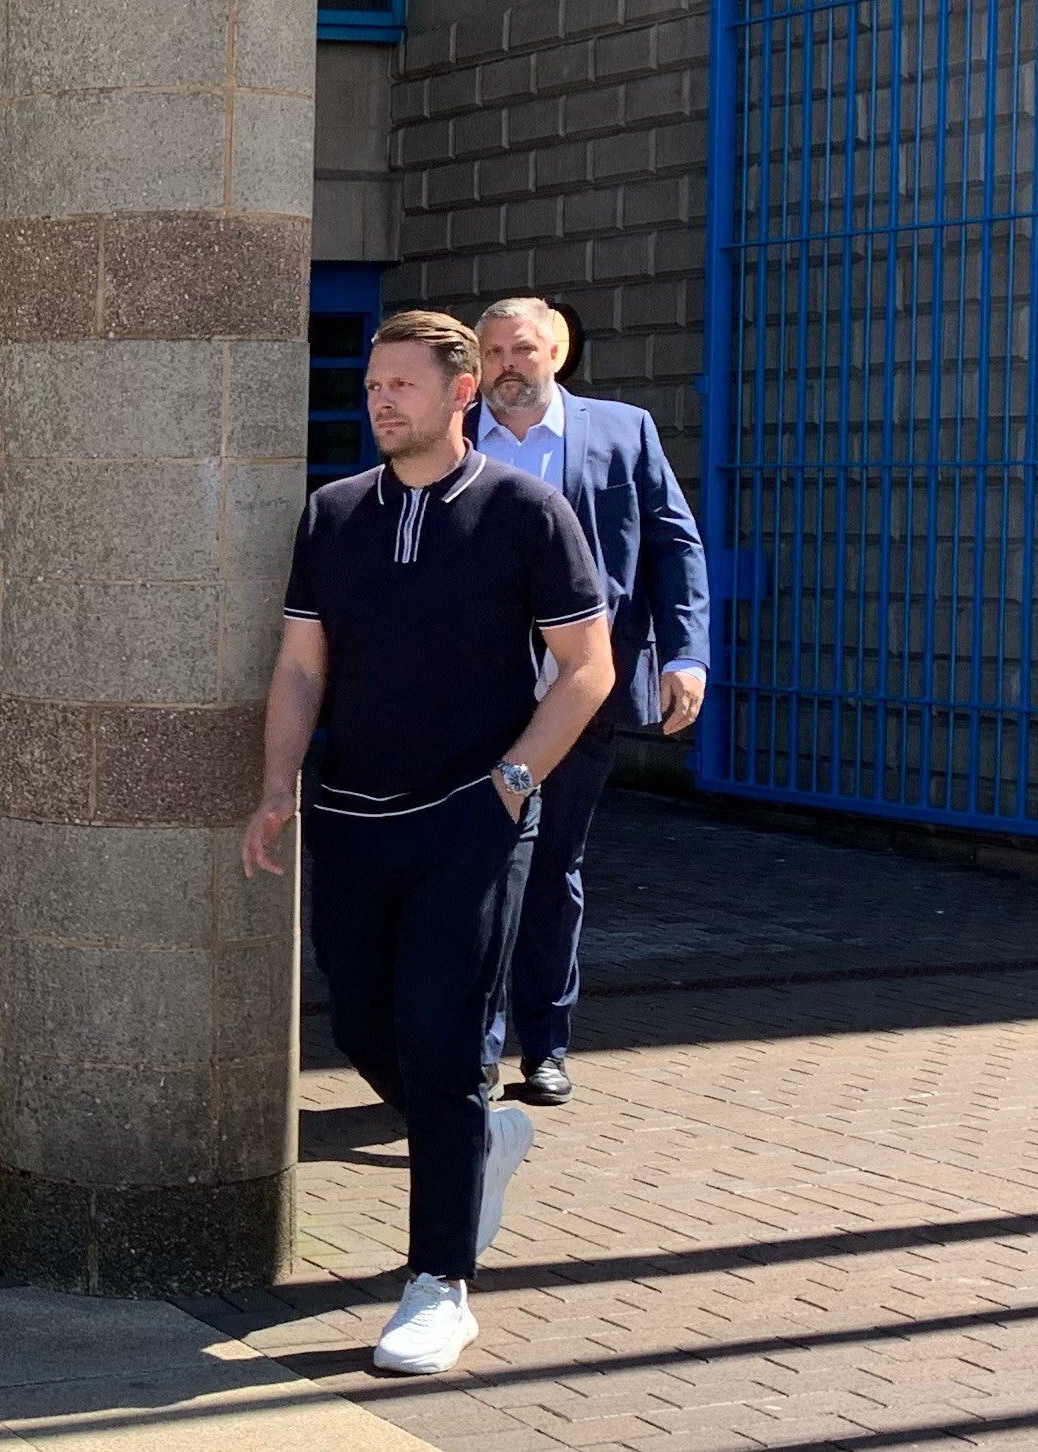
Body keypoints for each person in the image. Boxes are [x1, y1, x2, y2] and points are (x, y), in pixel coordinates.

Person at [242, 310, 614, 1375]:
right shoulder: (333, 514)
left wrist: (511, 782)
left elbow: (586, 668)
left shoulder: (526, 513)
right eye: (373, 387)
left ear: (461, 393)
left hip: (470, 820)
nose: (382, 402)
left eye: (402, 385)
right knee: (366, 1027)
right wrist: (277, 783)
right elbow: (303, 665)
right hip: (352, 815)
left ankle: (438, 1282)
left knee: (446, 1041)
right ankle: (475, 1138)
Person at [467, 297, 710, 1107]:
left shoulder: (622, 430)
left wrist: (686, 653)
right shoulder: (456, 437)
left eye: (523, 349)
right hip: (476, 696)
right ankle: (473, 1047)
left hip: (583, 691)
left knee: (549, 871)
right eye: (492, 349)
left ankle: (545, 1046)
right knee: (470, 870)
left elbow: (675, 542)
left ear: (557, 352)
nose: (507, 364)